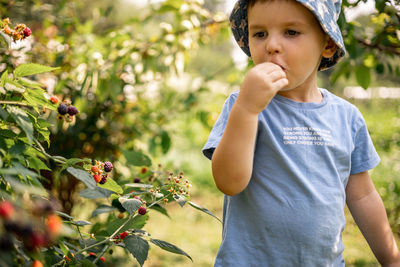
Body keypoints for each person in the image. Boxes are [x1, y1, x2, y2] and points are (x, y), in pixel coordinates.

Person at [202, 0, 400, 265]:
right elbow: (228, 182)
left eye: (291, 32)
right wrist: (247, 110)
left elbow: (363, 195)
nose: (271, 45)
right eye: (259, 34)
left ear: (327, 44)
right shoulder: (243, 106)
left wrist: (391, 259)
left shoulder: (347, 117)